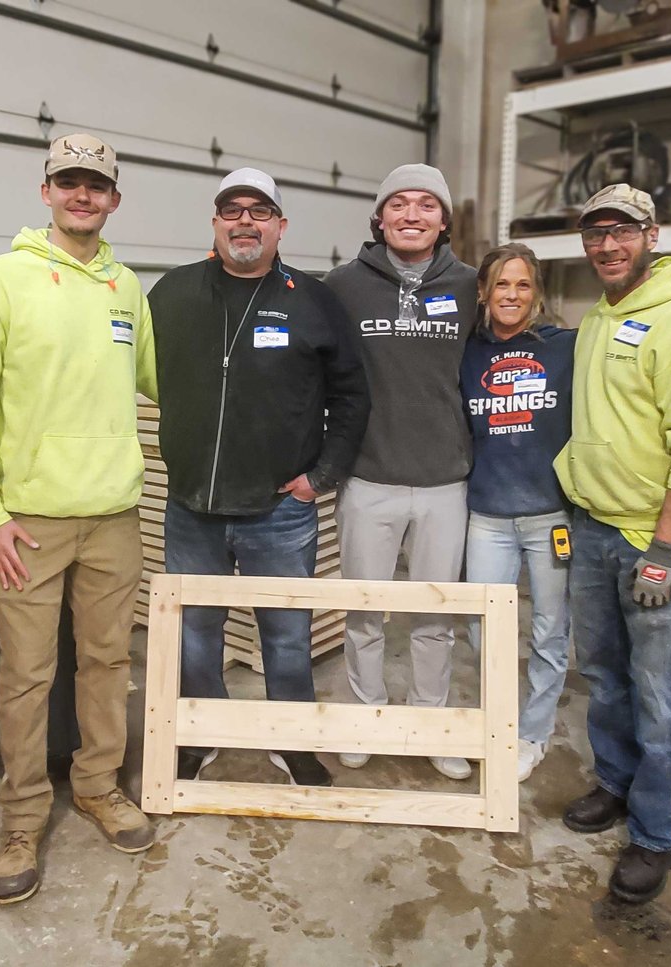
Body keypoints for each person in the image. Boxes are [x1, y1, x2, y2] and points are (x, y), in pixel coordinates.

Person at [0, 133, 158, 905]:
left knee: (107, 662)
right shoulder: (2, 279)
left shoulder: (127, 287)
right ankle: (22, 817)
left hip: (113, 513)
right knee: (27, 674)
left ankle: (100, 785)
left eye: (96, 185)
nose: (83, 195)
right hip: (27, 520)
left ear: (113, 199)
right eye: (69, 182)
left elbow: (162, 380)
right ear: (46, 192)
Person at [148, 167, 370, 787]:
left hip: (280, 510)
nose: (245, 221)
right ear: (215, 222)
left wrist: (320, 476)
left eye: (260, 211)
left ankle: (292, 742)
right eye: (232, 210)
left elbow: (352, 395)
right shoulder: (171, 294)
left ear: (280, 225)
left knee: (288, 636)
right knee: (197, 634)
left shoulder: (314, 299)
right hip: (192, 507)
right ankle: (203, 733)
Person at [555, 184, 671, 903]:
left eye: (621, 232)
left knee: (661, 696)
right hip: (595, 527)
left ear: (652, 234)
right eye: (595, 234)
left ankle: (655, 832)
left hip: (655, 544)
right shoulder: (600, 316)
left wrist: (662, 549)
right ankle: (616, 784)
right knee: (604, 674)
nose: (607, 245)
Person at [323, 164, 478, 779]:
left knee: (434, 615)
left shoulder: (471, 284)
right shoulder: (341, 286)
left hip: (445, 480)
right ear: (379, 217)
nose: (412, 215)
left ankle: (430, 723)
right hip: (369, 478)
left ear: (443, 220)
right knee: (362, 612)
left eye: (426, 205)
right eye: (399, 205)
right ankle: (365, 715)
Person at [460, 243, 575, 783]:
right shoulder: (466, 351)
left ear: (537, 293)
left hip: (551, 518)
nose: (511, 295)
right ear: (483, 291)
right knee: (486, 629)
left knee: (550, 631)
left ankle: (533, 733)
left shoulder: (566, 348)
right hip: (486, 516)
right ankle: (496, 725)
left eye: (523, 285)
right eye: (501, 285)